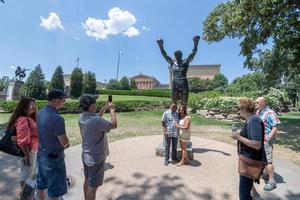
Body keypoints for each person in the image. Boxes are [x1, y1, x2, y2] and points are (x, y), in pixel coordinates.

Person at [78, 94, 117, 200]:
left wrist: (104, 109)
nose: (96, 104)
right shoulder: (96, 121)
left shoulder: (83, 117)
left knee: (87, 180)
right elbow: (113, 125)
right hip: (96, 158)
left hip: (86, 155)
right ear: (90, 106)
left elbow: (97, 118)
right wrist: (112, 110)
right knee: (93, 187)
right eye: (94, 102)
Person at [36, 89, 70, 200]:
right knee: (55, 191)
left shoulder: (40, 113)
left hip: (41, 155)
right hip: (53, 159)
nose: (64, 101)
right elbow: (64, 142)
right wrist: (67, 142)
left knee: (41, 183)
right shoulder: (57, 118)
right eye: (62, 99)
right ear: (55, 100)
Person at [232, 98, 265, 200]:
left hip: (250, 162)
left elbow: (257, 144)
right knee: (245, 190)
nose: (239, 111)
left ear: (245, 109)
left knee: (244, 193)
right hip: (248, 161)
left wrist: (238, 137)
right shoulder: (250, 120)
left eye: (240, 108)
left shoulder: (253, 120)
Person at [5, 97, 38, 191]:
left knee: (29, 174)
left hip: (32, 150)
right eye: (31, 104)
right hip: (29, 151)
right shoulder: (23, 119)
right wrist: (27, 155)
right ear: (24, 106)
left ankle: (25, 194)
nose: (34, 106)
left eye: (34, 104)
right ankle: (25, 195)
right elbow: (23, 140)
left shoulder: (28, 118)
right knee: (27, 176)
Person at [157, 35, 200, 105]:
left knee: (184, 103)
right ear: (174, 55)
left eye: (179, 54)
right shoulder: (172, 62)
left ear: (181, 55)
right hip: (175, 82)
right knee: (173, 102)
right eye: (176, 54)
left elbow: (193, 54)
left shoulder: (185, 61)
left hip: (183, 82)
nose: (178, 55)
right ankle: (174, 114)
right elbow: (165, 55)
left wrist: (196, 43)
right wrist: (160, 45)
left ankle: (184, 113)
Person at [255, 97, 281, 191]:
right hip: (259, 140)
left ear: (263, 102)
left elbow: (275, 127)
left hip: (266, 141)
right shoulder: (258, 112)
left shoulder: (270, 112)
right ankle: (265, 174)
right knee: (262, 158)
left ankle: (272, 181)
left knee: (268, 161)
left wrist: (268, 138)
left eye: (257, 102)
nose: (256, 103)